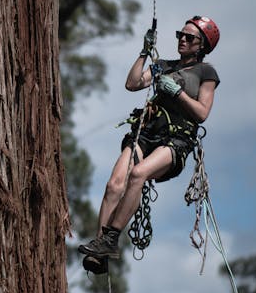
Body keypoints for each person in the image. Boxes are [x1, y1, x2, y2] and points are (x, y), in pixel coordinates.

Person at [78, 15, 220, 260]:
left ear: (202, 45)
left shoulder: (206, 72)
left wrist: (177, 93)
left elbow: (202, 113)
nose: (182, 40)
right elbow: (132, 84)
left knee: (138, 174)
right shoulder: (163, 65)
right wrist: (144, 52)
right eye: (180, 35)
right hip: (146, 133)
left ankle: (110, 238)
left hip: (176, 140)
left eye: (189, 37)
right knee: (114, 184)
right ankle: (99, 249)